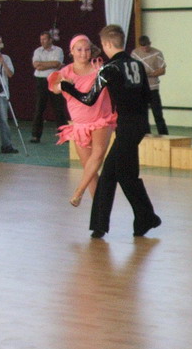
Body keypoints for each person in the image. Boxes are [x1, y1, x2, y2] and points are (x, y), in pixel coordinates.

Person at [54, 25, 161, 237]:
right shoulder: (137, 64)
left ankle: (112, 223)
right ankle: (138, 219)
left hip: (126, 127)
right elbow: (148, 96)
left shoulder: (109, 69)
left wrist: (67, 87)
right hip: (139, 124)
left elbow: (88, 99)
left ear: (107, 44)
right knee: (122, 175)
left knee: (115, 175)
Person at [49, 35, 117, 207]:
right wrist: (62, 85)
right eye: (79, 50)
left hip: (101, 119)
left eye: (87, 49)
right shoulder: (65, 72)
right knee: (90, 171)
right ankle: (99, 211)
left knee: (97, 155)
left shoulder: (99, 68)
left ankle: (78, 191)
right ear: (71, 51)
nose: (83, 53)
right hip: (79, 124)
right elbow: (54, 88)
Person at [30, 31, 67, 143]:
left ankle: (64, 135)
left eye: (44, 39)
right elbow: (36, 65)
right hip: (41, 81)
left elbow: (56, 64)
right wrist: (50, 64)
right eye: (41, 39)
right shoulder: (37, 51)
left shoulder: (58, 50)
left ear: (50, 40)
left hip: (55, 80)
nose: (42, 41)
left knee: (59, 108)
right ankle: (36, 135)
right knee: (39, 108)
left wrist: (43, 65)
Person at [131, 35, 169, 135]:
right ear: (139, 45)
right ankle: (146, 134)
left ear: (150, 44)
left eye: (147, 46)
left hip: (153, 88)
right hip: (141, 88)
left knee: (158, 114)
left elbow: (162, 70)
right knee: (143, 115)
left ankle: (164, 134)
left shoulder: (157, 53)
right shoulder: (134, 54)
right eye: (143, 47)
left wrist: (150, 74)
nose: (145, 49)